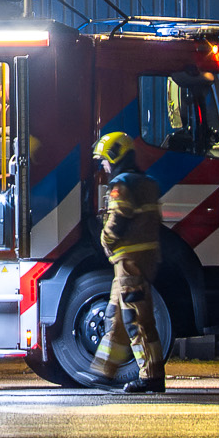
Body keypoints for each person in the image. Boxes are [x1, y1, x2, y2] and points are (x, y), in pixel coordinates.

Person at [89, 130, 166, 394]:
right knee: (117, 317)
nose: (103, 166)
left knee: (136, 318)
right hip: (143, 259)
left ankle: (152, 375)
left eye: (104, 160)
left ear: (115, 156)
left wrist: (104, 241)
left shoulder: (121, 186)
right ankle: (104, 370)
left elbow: (116, 222)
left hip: (128, 262)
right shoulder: (148, 183)